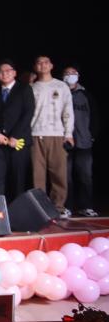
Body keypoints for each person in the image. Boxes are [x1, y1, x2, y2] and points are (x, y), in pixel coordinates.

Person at [30, 55, 74, 217]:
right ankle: (41, 209)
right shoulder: (32, 87)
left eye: (46, 62)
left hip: (57, 134)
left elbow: (68, 111)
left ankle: (58, 207)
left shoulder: (61, 86)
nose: (42, 65)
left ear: (51, 65)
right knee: (38, 175)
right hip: (35, 134)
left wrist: (68, 133)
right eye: (39, 62)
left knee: (59, 173)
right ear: (35, 67)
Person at [0, 60, 35, 202]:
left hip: (18, 141)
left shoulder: (24, 89)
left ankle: (18, 210)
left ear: (14, 73)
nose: (4, 74)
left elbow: (28, 113)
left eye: (8, 71)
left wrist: (15, 136)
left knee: (18, 179)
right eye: (1, 71)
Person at [63, 66, 98, 217]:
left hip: (84, 141)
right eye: (67, 73)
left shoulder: (85, 95)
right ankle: (66, 207)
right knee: (65, 177)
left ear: (78, 75)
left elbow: (95, 116)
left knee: (85, 176)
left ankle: (86, 206)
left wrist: (92, 135)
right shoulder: (60, 92)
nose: (70, 75)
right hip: (64, 142)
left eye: (73, 73)